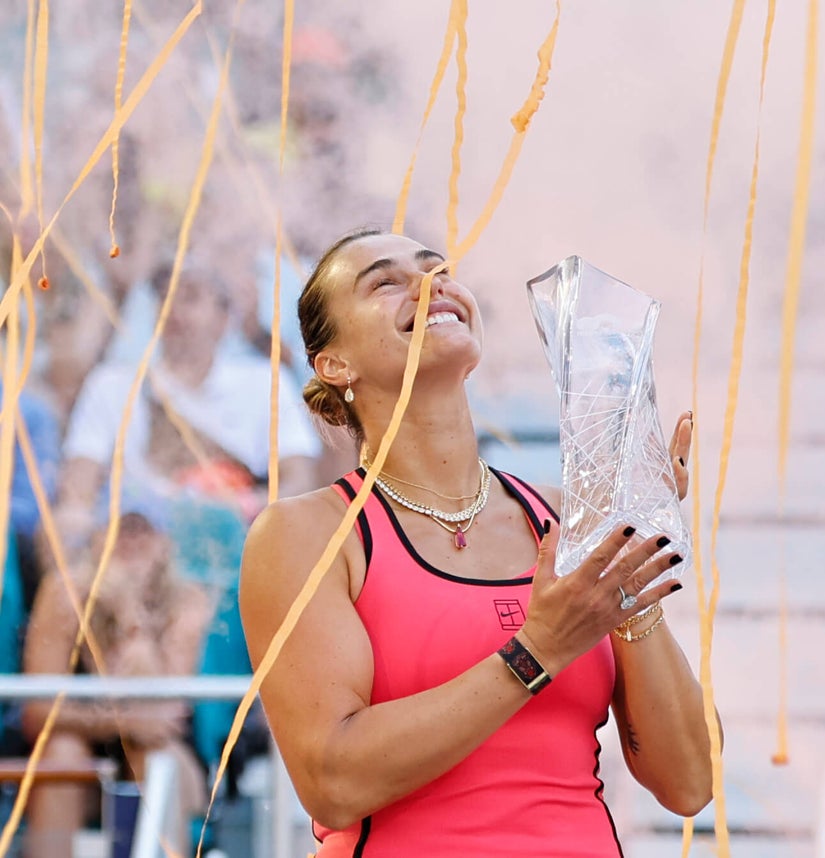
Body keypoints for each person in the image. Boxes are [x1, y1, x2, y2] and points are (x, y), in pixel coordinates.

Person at [239, 229, 717, 855]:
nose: (429, 284)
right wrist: (537, 649)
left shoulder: (569, 517)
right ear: (334, 364)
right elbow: (334, 781)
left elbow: (689, 783)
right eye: (385, 282)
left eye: (437, 269)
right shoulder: (307, 533)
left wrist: (629, 555)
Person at [52, 259, 323, 562]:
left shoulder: (265, 382)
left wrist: (246, 505)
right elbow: (80, 479)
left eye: (191, 297)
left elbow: (299, 481)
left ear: (223, 319)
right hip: (134, 548)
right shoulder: (113, 383)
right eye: (165, 297)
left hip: (233, 546)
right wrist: (76, 518)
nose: (174, 311)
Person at [21, 503, 213, 858]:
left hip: (164, 755)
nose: (131, 541)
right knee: (63, 752)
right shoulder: (65, 593)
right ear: (97, 539)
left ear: (165, 544)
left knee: (156, 758)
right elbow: (37, 715)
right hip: (81, 754)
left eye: (143, 530)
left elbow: (163, 722)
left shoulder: (187, 599)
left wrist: (129, 617)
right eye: (121, 530)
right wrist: (122, 721)